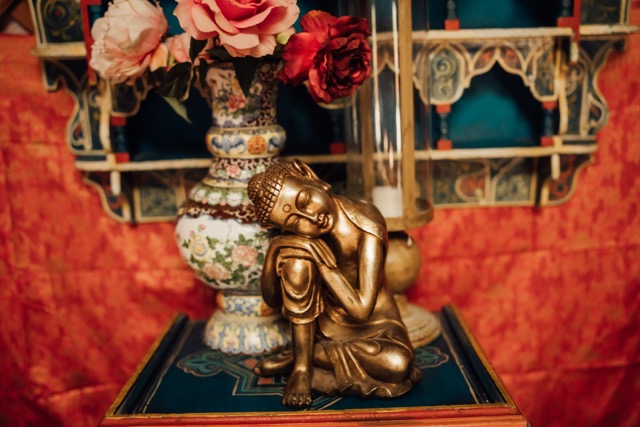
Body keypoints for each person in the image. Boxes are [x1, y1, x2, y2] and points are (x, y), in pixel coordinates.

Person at [247, 160, 420, 409]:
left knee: (398, 364)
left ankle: (305, 354)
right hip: (322, 322)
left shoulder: (367, 222)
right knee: (296, 262)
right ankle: (302, 368)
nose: (309, 217)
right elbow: (271, 300)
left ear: (310, 176)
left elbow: (362, 310)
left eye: (305, 200)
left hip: (374, 325)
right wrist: (276, 248)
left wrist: (325, 266)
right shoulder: (302, 238)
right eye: (294, 223)